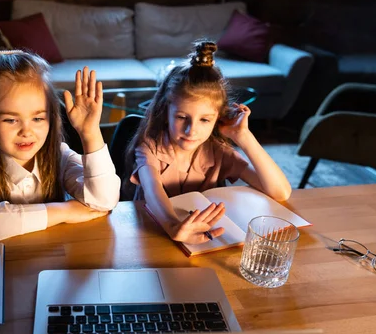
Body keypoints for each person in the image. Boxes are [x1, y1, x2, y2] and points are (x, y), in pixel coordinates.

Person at [125, 41, 291, 245]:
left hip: (203, 239)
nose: (191, 130)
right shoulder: (150, 147)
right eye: (181, 117)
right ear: (165, 110)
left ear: (217, 119)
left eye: (205, 120)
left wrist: (244, 137)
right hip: (153, 234)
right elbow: (152, 189)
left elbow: (280, 192)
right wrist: (173, 227)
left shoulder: (217, 151)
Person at [0, 50, 120, 242]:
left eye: (37, 118)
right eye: (11, 120)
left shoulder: (60, 156)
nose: (26, 131)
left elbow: (104, 201)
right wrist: (66, 211)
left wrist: (90, 133)